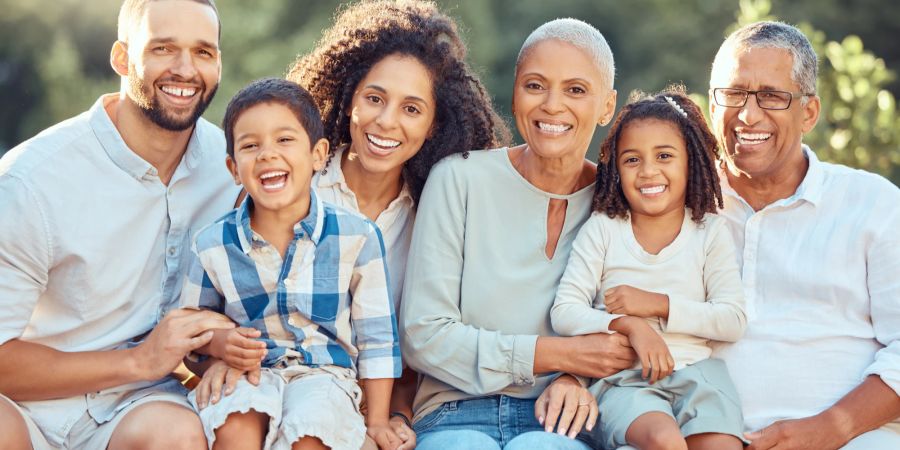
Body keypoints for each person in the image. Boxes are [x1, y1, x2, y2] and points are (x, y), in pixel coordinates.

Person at [0, 0, 239, 449]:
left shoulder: (233, 170)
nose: (186, 69)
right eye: (164, 48)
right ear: (122, 58)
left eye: (204, 52)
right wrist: (140, 361)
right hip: (26, 406)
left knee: (178, 437)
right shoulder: (31, 182)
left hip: (142, 405)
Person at [401, 18, 636, 450]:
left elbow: (621, 337)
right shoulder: (459, 179)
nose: (552, 105)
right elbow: (423, 336)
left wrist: (572, 375)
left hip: (563, 420)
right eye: (535, 85)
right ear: (514, 93)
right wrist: (559, 355)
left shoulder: (621, 202)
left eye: (576, 90)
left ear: (607, 106)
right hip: (453, 413)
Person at [286, 1, 510, 448]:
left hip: (375, 411)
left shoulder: (436, 214)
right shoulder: (292, 182)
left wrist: (398, 415)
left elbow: (417, 349)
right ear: (350, 98)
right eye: (374, 98)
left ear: (433, 125)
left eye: (411, 109)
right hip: (286, 391)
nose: (386, 122)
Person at [179, 77, 402, 450]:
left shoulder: (356, 237)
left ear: (317, 155)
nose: (267, 154)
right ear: (234, 168)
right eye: (251, 146)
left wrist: (377, 421)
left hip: (326, 376)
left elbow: (378, 339)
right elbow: (192, 333)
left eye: (284, 140)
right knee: (235, 428)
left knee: (311, 434)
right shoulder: (211, 245)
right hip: (249, 373)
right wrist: (220, 347)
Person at [707, 21, 900, 450]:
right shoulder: (675, 206)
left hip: (853, 441)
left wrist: (833, 428)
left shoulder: (874, 205)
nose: (748, 114)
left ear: (808, 113)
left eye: (771, 96)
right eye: (733, 94)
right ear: (711, 105)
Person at [551, 89, 747, 450]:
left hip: (700, 376)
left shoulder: (709, 233)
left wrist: (657, 304)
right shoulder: (604, 229)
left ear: (691, 161)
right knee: (664, 441)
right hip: (626, 381)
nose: (648, 171)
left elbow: (731, 320)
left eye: (664, 156)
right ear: (615, 169)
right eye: (632, 160)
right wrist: (629, 325)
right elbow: (564, 311)